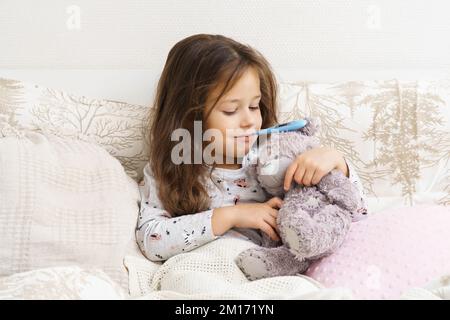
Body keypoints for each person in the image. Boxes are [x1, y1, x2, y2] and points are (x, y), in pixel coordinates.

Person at [136, 34, 368, 262]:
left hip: (276, 270)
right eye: (230, 110)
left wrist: (339, 164)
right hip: (206, 269)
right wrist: (232, 216)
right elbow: (151, 240)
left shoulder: (277, 155)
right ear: (189, 117)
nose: (249, 121)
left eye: (254, 106)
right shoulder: (169, 169)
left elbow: (356, 215)